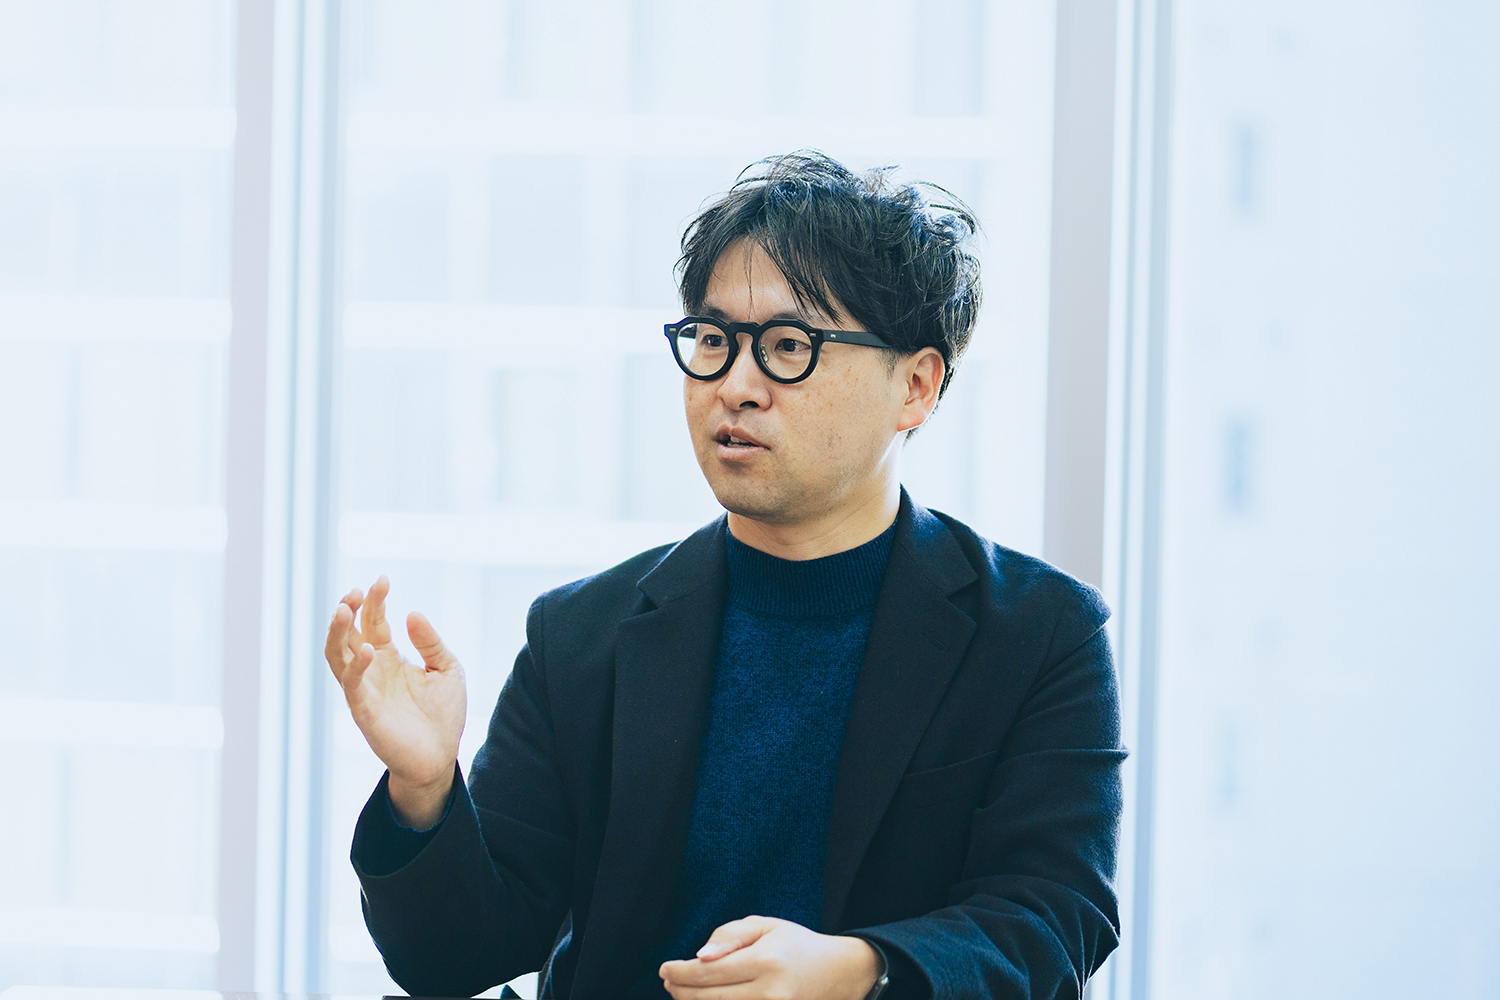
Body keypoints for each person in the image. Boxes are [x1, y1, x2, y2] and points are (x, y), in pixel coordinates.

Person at [325, 152, 1125, 1000]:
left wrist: (859, 971)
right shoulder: (581, 634)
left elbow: (1054, 919)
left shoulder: (1040, 634)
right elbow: (457, 960)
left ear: (916, 386)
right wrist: (424, 790)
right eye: (713, 341)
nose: (735, 386)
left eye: (788, 346)